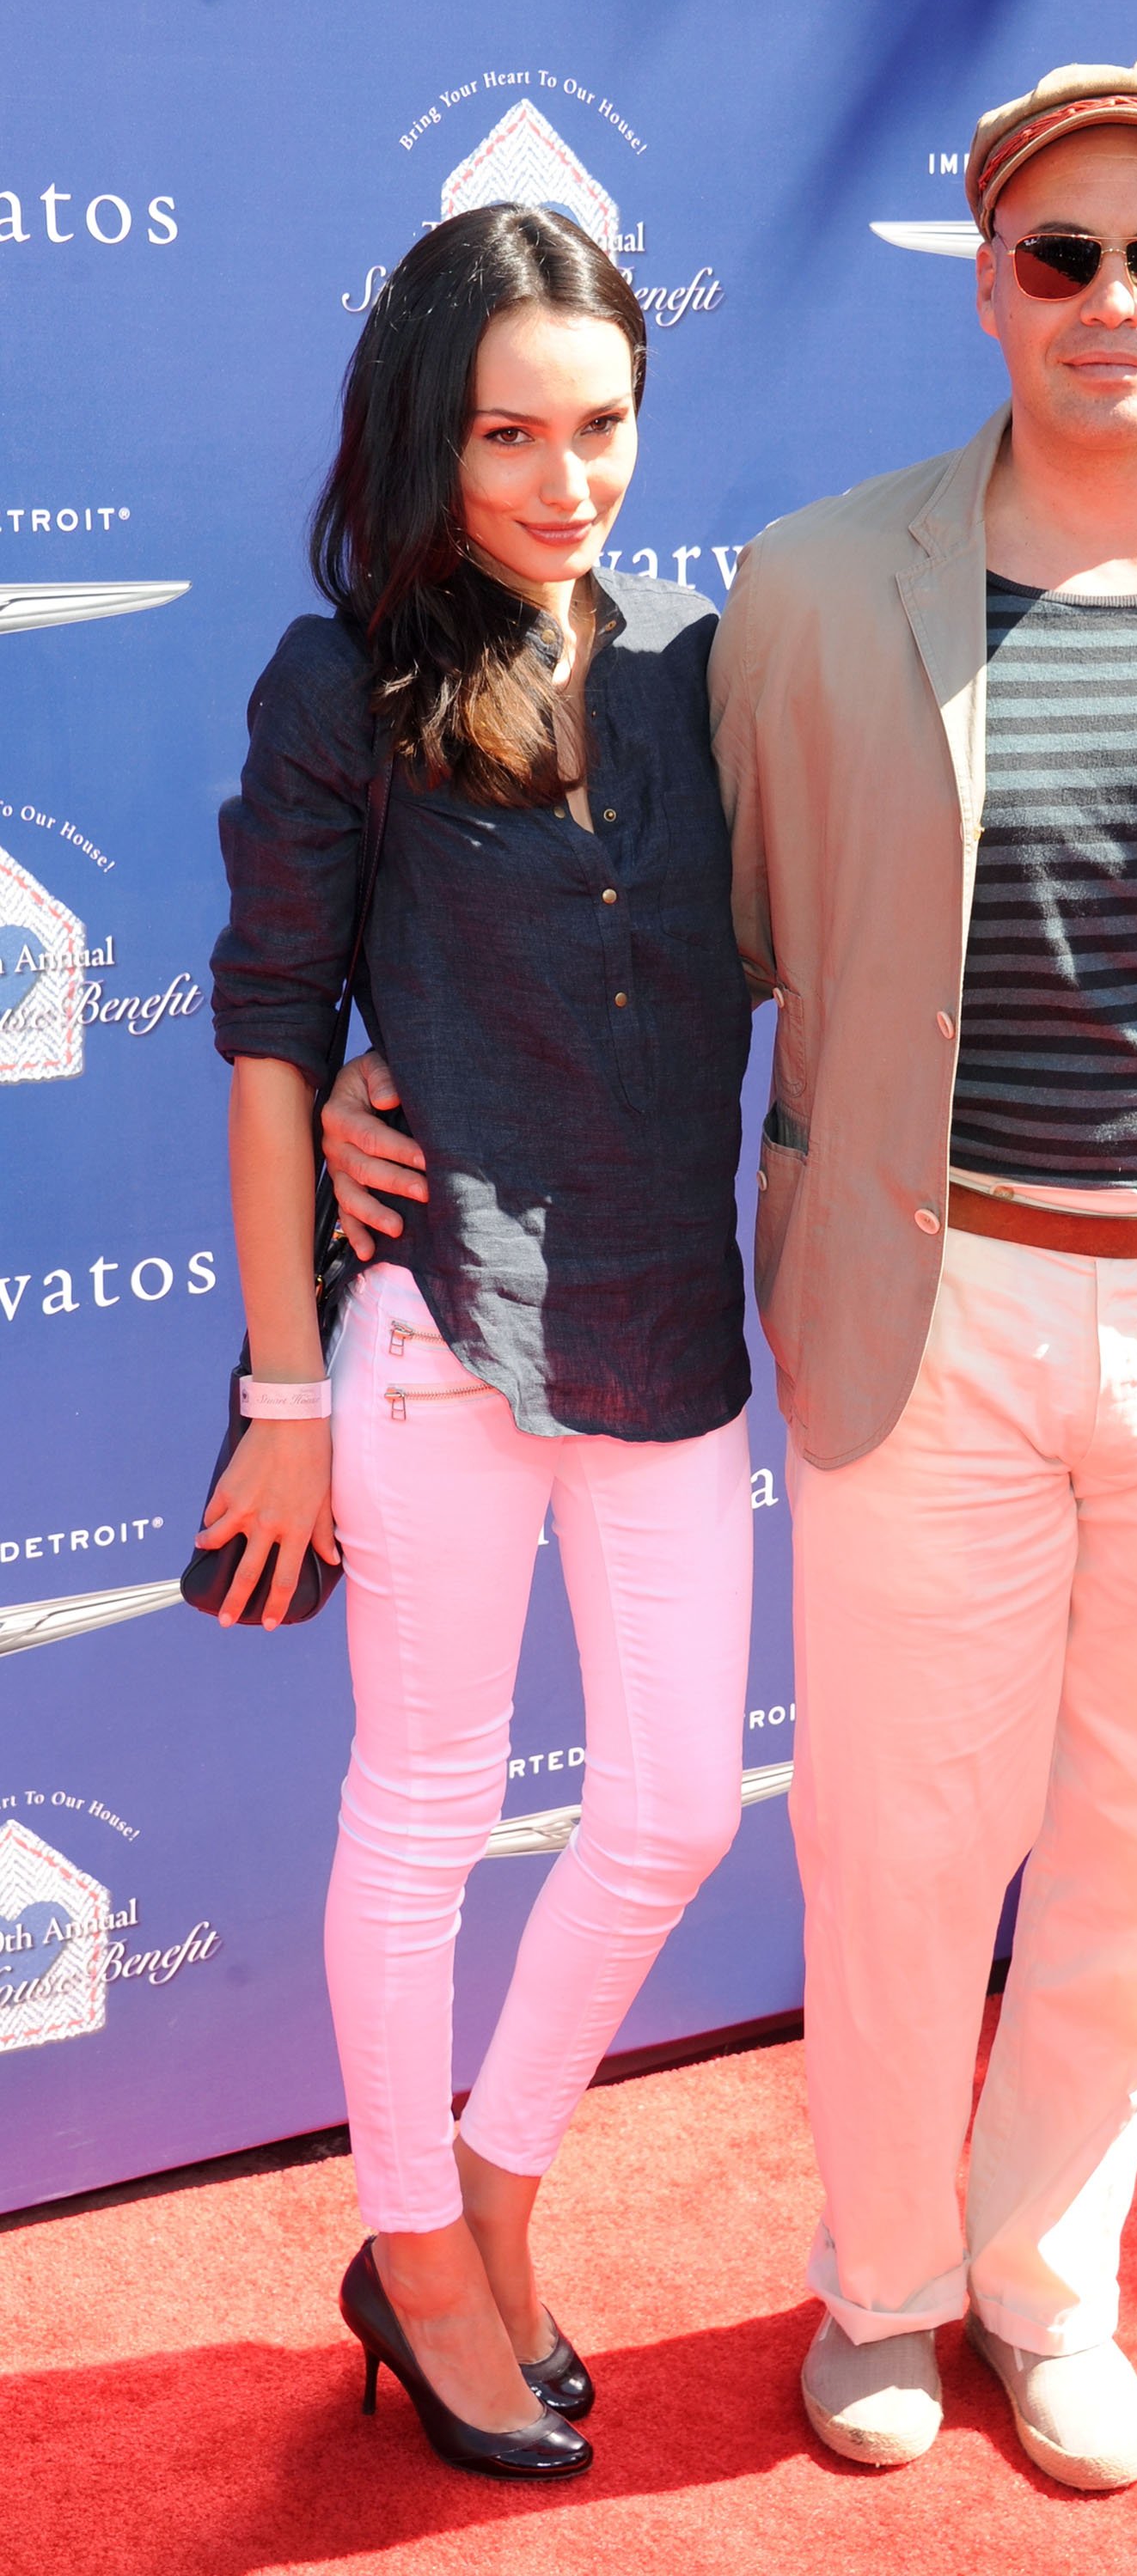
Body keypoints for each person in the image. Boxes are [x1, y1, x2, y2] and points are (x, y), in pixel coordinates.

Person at [324, 58, 1137, 2494]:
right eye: (1060, 256)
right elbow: (631, 932)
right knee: (892, 1840)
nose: (1111, 301)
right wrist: (369, 1076)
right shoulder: (824, 595)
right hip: (926, 1311)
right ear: (984, 286)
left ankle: (1044, 2284)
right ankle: (883, 2285)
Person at [199, 204, 754, 2479]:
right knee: (424, 1813)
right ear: (422, 434)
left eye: (600, 424)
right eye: (506, 431)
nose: (559, 477)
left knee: (675, 1812)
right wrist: (283, 1394)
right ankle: (418, 2250)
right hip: (432, 1346)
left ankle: (500, 2184)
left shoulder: (690, 676)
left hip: (666, 1325)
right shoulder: (342, 682)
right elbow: (263, 1038)